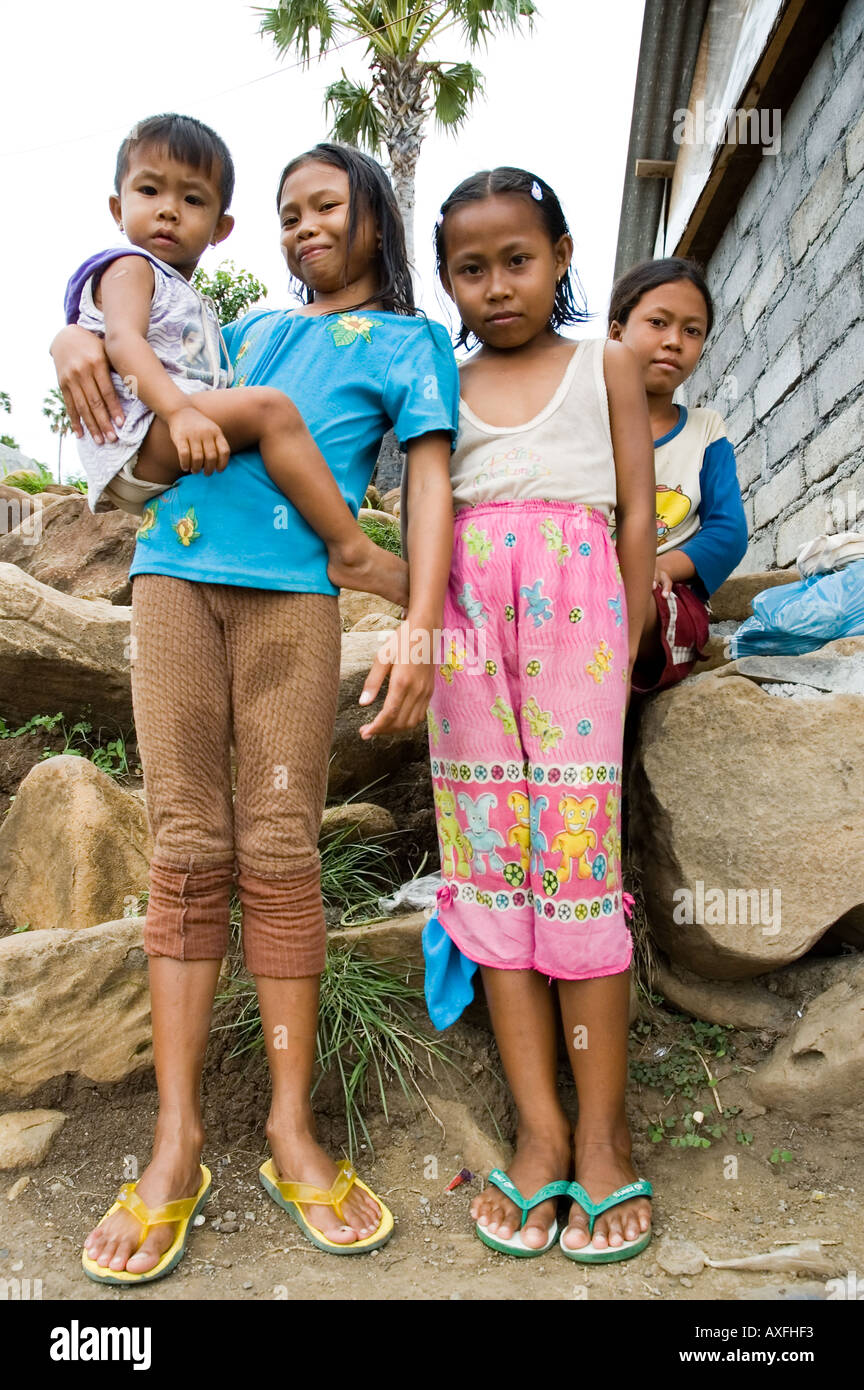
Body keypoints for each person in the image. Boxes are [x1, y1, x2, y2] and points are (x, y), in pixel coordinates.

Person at [50, 141, 458, 1282]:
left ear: (377, 214)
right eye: (285, 214)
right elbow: (144, 360)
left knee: (278, 851)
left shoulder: (415, 344)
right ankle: (175, 1146)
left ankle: (288, 1131)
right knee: (185, 848)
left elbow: (427, 479)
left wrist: (420, 615)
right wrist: (74, 331)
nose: (304, 227)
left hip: (294, 603)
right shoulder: (255, 331)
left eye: (326, 206)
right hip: (174, 576)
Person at [420, 167, 657, 1261]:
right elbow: (426, 528)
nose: (497, 285)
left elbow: (636, 520)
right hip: (469, 638)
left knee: (574, 870)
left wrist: (631, 648)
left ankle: (604, 1141)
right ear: (448, 282)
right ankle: (540, 1131)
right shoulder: (440, 382)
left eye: (518, 259)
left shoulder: (605, 364)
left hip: (578, 633)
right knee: (493, 877)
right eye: (471, 269)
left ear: (562, 256)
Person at [66, 112, 405, 605]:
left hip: (160, 466)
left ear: (221, 227)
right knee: (269, 410)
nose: (168, 211)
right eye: (149, 192)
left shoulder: (195, 303)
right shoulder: (131, 267)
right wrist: (177, 409)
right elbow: (121, 341)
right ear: (117, 208)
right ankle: (351, 548)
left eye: (192, 199)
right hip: (141, 435)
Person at [608, 257, 748, 693]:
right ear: (616, 334)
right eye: (657, 322)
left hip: (664, 599)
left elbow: (727, 532)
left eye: (692, 331)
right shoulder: (584, 424)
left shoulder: (705, 431)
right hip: (578, 579)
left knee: (628, 605)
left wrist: (658, 566)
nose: (674, 341)